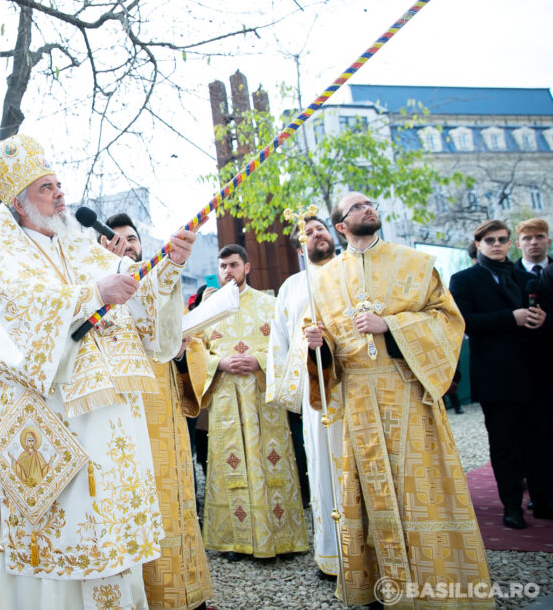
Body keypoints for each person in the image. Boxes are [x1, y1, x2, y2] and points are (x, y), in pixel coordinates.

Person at [0, 134, 195, 609]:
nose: (59, 194)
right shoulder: (3, 257)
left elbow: (135, 294)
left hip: (106, 423)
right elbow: (14, 317)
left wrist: (170, 265)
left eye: (58, 184)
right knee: (64, 534)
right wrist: (94, 294)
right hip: (53, 425)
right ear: (19, 203)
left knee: (109, 529)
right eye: (45, 188)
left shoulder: (79, 246)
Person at [303, 192, 491, 607]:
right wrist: (317, 345)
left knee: (418, 487)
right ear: (341, 226)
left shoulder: (415, 263)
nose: (368, 208)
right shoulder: (324, 279)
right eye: (356, 207)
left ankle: (435, 581)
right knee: (368, 492)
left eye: (369, 203)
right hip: (357, 399)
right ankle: (381, 585)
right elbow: (327, 350)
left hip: (406, 392)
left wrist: (390, 325)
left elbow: (448, 319)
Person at [102, 212, 213, 610]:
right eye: (115, 239)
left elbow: (191, 345)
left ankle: (186, 591)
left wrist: (182, 353)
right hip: (125, 418)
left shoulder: (161, 289)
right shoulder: (98, 296)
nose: (126, 245)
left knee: (178, 496)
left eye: (131, 238)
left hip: (166, 411)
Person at [201, 244, 307, 562]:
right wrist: (220, 363)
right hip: (226, 399)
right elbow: (194, 352)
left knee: (270, 462)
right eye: (223, 266)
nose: (228, 271)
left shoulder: (270, 304)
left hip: (264, 400)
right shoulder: (207, 310)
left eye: (234, 265)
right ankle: (237, 542)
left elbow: (286, 346)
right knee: (231, 463)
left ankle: (280, 539)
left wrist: (259, 360)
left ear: (247, 267)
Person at [449, 220, 550, 528]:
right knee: (505, 446)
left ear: (509, 243)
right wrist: (510, 317)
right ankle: (511, 506)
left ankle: (543, 501)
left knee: (538, 442)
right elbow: (463, 322)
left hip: (533, 373)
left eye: (502, 239)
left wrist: (542, 319)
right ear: (478, 244)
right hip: (495, 376)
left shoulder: (528, 279)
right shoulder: (463, 279)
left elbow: (540, 319)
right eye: (490, 240)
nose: (496, 244)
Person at [265, 217, 341, 580]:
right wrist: (286, 392)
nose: (317, 234)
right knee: (323, 468)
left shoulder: (350, 271)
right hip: (315, 392)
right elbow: (279, 339)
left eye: (320, 228)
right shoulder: (292, 286)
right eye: (308, 233)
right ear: (300, 249)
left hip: (354, 386)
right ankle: (333, 556)